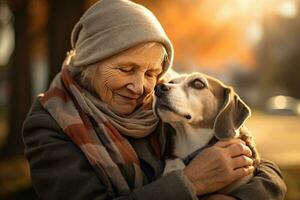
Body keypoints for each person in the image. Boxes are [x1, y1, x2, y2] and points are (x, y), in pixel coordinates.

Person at [22, 0, 286, 199]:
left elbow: (267, 172)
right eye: (126, 69)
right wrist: (189, 184)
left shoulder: (167, 91)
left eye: (151, 72)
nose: (140, 87)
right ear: (89, 63)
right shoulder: (51, 123)